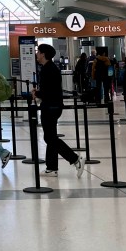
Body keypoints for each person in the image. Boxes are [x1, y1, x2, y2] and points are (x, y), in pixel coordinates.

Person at [34, 44, 83, 177]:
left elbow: (47, 91)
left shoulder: (47, 69)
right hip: (53, 105)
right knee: (51, 137)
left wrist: (37, 93)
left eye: (38, 52)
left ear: (43, 54)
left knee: (49, 137)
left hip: (50, 106)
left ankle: (74, 158)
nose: (36, 54)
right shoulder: (50, 68)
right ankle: (52, 167)